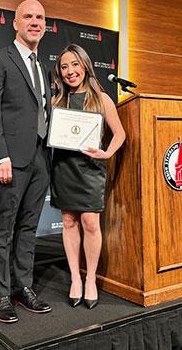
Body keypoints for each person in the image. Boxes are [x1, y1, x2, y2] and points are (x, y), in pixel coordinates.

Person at [0, 0, 52, 323]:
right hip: (11, 160)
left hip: (41, 158)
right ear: (15, 23)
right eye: (28, 17)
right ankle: (1, 295)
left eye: (40, 17)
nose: (34, 22)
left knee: (28, 226)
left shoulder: (43, 66)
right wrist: (0, 155)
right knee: (4, 227)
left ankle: (23, 286)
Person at [50, 44, 125, 309]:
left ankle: (90, 278)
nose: (70, 71)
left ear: (85, 65)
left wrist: (106, 154)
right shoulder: (57, 100)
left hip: (91, 170)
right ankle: (75, 279)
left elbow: (120, 134)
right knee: (69, 223)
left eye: (75, 64)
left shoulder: (102, 99)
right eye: (64, 66)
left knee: (91, 223)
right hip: (64, 169)